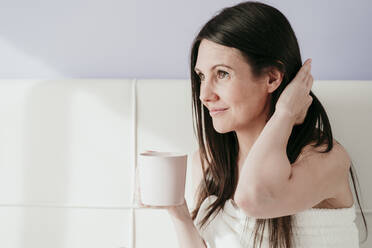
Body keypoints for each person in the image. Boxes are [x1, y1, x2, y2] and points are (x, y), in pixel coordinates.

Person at [136, 1, 367, 247]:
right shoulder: (207, 163)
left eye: (222, 74)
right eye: (201, 76)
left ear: (272, 78)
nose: (204, 94)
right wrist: (178, 212)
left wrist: (285, 113)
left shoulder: (324, 159)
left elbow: (254, 199)